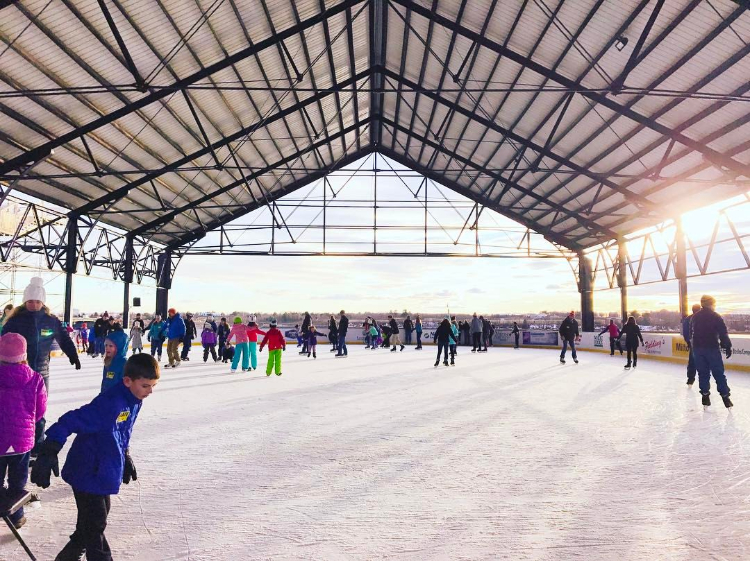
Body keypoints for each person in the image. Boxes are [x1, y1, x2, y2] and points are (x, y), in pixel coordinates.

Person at [31, 353, 159, 561]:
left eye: (153, 385)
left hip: (102, 469)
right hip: (87, 469)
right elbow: (71, 420)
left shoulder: (134, 400)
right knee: (96, 523)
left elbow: (122, 430)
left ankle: (67, 557)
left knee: (93, 520)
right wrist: (49, 448)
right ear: (127, 381)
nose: (150, 391)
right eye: (145, 385)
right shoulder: (110, 404)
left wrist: (124, 453)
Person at [2, 277, 80, 456]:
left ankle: (36, 444)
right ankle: (16, 442)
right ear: (25, 301)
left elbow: (63, 338)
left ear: (42, 302)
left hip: (42, 371)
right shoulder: (15, 320)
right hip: (18, 370)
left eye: (37, 301)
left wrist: (73, 355)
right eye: (30, 301)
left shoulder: (50, 320)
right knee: (19, 409)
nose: (33, 304)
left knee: (39, 409)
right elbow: (4, 342)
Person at [0, 333, 47, 529]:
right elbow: (40, 409)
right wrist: (29, 424)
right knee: (18, 481)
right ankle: (17, 516)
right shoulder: (35, 378)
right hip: (22, 441)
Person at [690, 294, 733, 408]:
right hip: (711, 348)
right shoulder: (716, 316)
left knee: (703, 373)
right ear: (711, 304)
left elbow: (692, 333)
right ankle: (725, 397)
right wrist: (727, 346)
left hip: (698, 349)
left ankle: (705, 395)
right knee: (718, 373)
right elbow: (723, 333)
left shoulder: (695, 317)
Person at [100, 330, 129, 394]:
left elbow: (126, 385)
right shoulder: (108, 362)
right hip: (107, 397)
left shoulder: (123, 363)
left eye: (110, 346)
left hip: (117, 399)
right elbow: (105, 381)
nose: (107, 348)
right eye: (106, 345)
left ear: (119, 347)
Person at [682, 304, 701, 386]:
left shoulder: (687, 319)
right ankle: (704, 381)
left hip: (693, 343)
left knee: (692, 361)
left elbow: (685, 332)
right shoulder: (703, 318)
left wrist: (688, 342)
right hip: (703, 343)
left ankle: (690, 378)